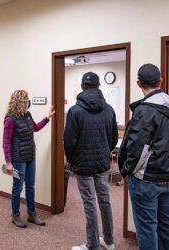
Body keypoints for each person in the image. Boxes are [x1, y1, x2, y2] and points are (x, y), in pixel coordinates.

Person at [118, 64, 169, 250]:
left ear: (138, 83)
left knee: (147, 228)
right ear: (160, 80)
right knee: (168, 222)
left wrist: (127, 170)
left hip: (147, 180)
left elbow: (137, 149)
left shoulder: (145, 111)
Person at [64, 72, 118, 250]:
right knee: (105, 200)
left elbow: (69, 141)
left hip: (83, 165)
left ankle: (92, 244)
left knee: (89, 203)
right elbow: (113, 138)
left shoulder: (74, 111)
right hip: (102, 163)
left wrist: (72, 161)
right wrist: (104, 152)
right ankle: (109, 242)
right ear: (99, 87)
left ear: (82, 87)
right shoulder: (109, 109)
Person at [2, 90, 55, 228]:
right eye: (26, 100)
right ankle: (15, 215)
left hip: (31, 156)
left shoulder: (27, 115)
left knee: (30, 186)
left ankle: (32, 214)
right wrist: (8, 162)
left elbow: (35, 128)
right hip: (18, 159)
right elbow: (6, 142)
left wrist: (47, 117)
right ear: (20, 102)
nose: (28, 102)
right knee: (17, 188)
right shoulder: (10, 119)